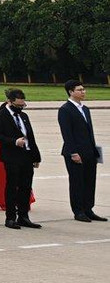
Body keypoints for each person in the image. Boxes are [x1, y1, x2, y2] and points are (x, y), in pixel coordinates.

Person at [0, 88, 41, 229]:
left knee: (26, 186)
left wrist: (36, 156)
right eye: (18, 105)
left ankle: (23, 216)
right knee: (12, 187)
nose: (20, 107)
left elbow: (30, 137)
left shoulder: (24, 116)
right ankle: (10, 217)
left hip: (26, 155)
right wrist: (14, 141)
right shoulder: (0, 116)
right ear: (9, 101)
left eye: (22, 105)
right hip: (12, 156)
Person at [59, 83, 103, 222]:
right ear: (71, 92)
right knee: (77, 182)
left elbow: (89, 132)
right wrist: (73, 152)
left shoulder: (85, 109)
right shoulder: (65, 110)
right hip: (75, 152)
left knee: (90, 181)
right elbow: (67, 133)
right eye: (79, 90)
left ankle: (88, 209)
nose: (83, 92)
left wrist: (95, 151)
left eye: (83, 89)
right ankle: (78, 211)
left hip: (89, 151)